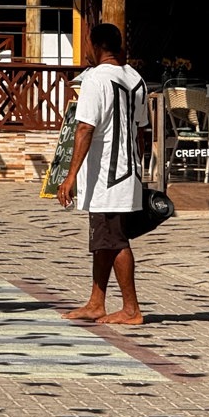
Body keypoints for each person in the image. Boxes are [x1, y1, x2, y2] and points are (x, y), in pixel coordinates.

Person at [57, 23, 149, 326]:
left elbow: (85, 128)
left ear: (96, 45)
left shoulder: (96, 79)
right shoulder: (136, 79)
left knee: (115, 239)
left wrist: (69, 177)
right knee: (104, 239)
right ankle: (96, 301)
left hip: (107, 175)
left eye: (86, 43)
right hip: (129, 171)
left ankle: (131, 308)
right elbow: (140, 131)